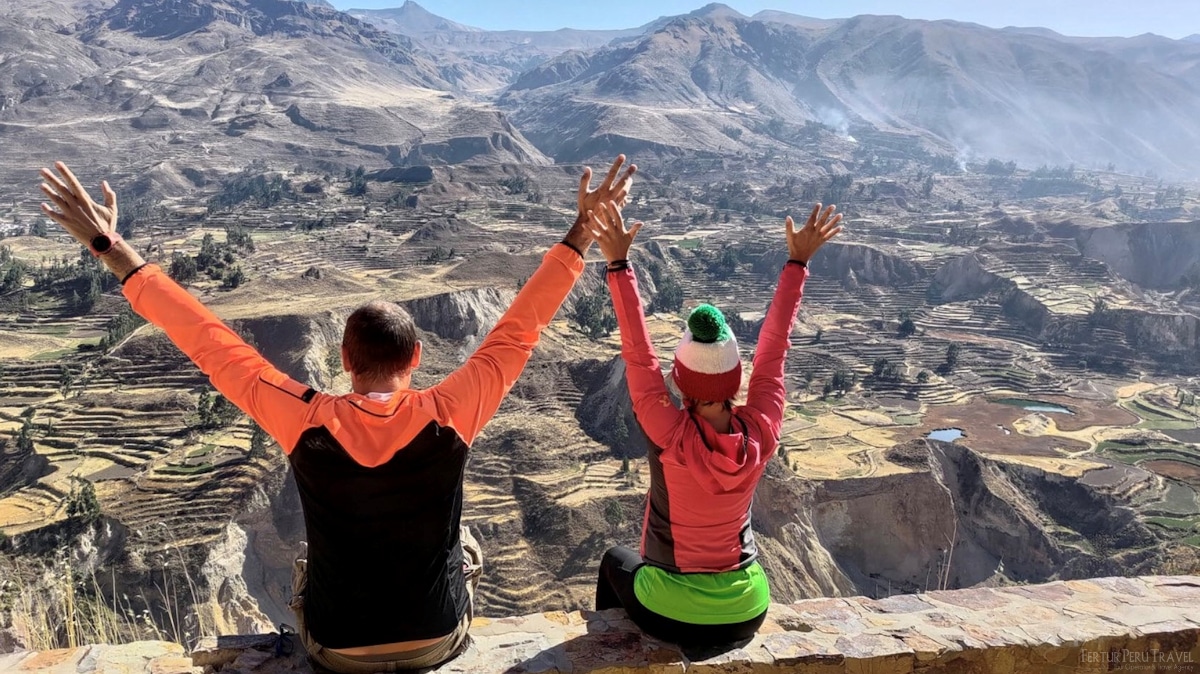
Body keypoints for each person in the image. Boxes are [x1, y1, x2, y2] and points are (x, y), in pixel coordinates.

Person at [37, 156, 636, 672]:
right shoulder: (452, 412)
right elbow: (519, 328)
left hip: (336, 650)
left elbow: (206, 338)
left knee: (310, 561)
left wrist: (111, 248)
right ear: (418, 356)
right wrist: (581, 233)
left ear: (345, 359)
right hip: (438, 643)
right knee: (465, 541)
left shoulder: (304, 418)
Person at [585, 200, 842, 646]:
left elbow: (639, 357)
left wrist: (619, 264)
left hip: (671, 610)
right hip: (748, 609)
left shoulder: (669, 432)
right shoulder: (761, 429)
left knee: (614, 562)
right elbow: (773, 352)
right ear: (736, 378)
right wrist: (797, 263)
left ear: (679, 381)